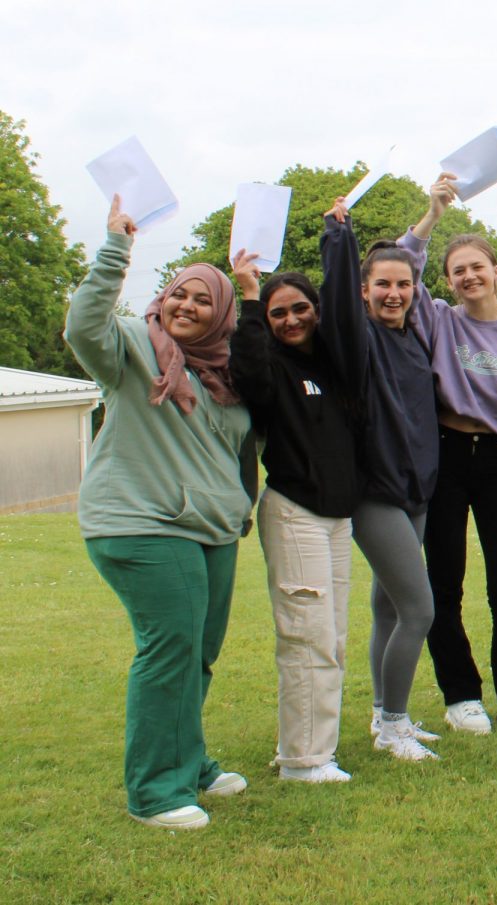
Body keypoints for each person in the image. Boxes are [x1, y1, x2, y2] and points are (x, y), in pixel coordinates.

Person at [65, 196, 253, 829]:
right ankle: (156, 792)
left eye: (202, 300)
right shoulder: (129, 349)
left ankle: (189, 760)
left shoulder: (229, 374)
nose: (186, 306)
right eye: (178, 293)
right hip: (141, 523)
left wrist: (252, 293)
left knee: (197, 652)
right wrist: (117, 247)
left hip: (213, 529)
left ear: (220, 313)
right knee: (168, 648)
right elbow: (82, 327)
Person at [397, 176, 497, 736]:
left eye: (476, 267)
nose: (468, 277)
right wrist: (431, 215)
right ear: (447, 281)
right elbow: (400, 272)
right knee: (445, 581)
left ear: (494, 270)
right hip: (445, 458)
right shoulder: (439, 318)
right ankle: (460, 694)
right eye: (457, 270)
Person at [230, 258, 365, 781]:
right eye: (277, 313)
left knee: (331, 638)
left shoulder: (332, 365)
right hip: (294, 513)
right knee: (305, 636)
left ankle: (315, 748)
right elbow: (249, 377)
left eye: (300, 308)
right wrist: (247, 298)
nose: (291, 320)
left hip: (336, 519)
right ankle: (303, 760)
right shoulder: (271, 369)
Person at [320, 199, 441, 761]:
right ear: (364, 291)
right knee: (420, 609)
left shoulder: (413, 334)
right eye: (382, 285)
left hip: (415, 490)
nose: (394, 293)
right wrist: (339, 240)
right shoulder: (358, 336)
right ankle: (394, 724)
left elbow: (406, 256)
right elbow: (339, 300)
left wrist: (427, 220)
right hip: (376, 495)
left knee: (390, 609)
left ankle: (382, 715)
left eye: (403, 284)